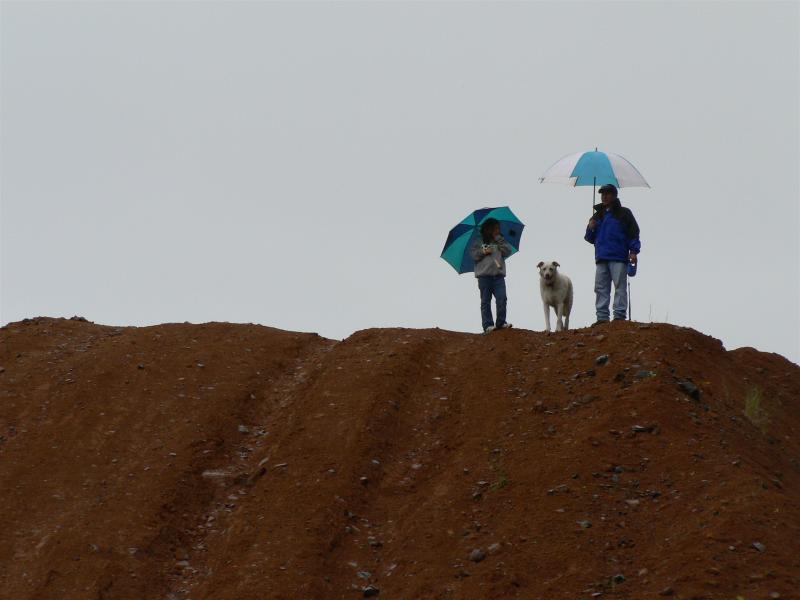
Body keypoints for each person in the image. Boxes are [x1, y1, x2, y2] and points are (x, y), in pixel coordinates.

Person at [584, 184, 641, 324]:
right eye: (602, 194)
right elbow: (589, 238)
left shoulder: (624, 213)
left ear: (614, 196)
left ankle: (619, 316)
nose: (604, 196)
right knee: (600, 288)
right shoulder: (597, 216)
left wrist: (633, 252)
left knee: (619, 286)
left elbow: (634, 233)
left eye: (607, 193)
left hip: (619, 257)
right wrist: (590, 228)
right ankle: (602, 317)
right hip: (601, 257)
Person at [470, 218, 513, 334]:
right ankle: (488, 325)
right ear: (488, 229)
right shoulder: (479, 241)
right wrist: (483, 252)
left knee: (502, 298)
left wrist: (498, 239)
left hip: (498, 276)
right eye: (495, 228)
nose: (498, 230)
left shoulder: (500, 240)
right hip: (484, 277)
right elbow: (474, 255)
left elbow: (508, 251)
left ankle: (501, 322)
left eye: (498, 228)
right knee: (485, 301)